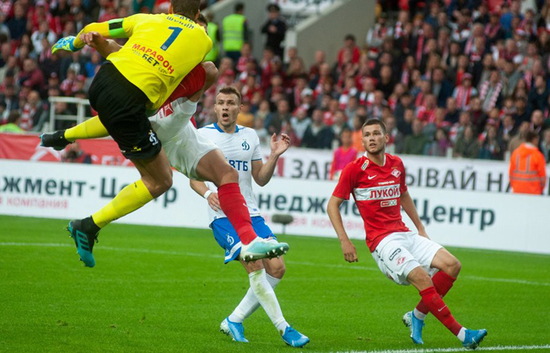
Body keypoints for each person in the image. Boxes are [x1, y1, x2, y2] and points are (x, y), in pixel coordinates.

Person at [42, 0, 281, 268]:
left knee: (228, 174)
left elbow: (113, 48)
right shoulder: (176, 60)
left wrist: (84, 42)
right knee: (158, 181)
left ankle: (249, 240)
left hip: (182, 133)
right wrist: (67, 135)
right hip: (154, 128)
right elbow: (118, 66)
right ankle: (88, 225)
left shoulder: (186, 64)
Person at [326, 118, 487, 350]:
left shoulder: (396, 164)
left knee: (453, 266)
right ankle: (464, 335)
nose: (371, 138)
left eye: (376, 133)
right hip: (382, 241)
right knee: (423, 278)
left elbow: (403, 195)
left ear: (386, 138)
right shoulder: (354, 170)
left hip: (404, 233)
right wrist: (344, 240)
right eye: (367, 135)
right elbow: (332, 205)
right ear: (362, 141)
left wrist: (420, 228)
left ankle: (417, 316)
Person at [189, 86, 309, 348]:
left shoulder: (250, 136)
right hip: (223, 217)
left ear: (239, 108)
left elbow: (261, 178)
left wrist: (274, 155)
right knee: (254, 264)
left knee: (277, 268)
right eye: (221, 102)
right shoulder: (203, 136)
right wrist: (208, 193)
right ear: (215, 107)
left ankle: (234, 319)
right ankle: (284, 329)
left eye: (230, 103)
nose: (225, 107)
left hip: (251, 214)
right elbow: (193, 177)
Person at [509, 130, 546, 195]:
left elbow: (511, 173)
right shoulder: (538, 155)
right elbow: (542, 176)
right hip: (534, 191)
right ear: (534, 140)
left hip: (517, 190)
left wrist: (514, 185)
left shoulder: (515, 153)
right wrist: (541, 189)